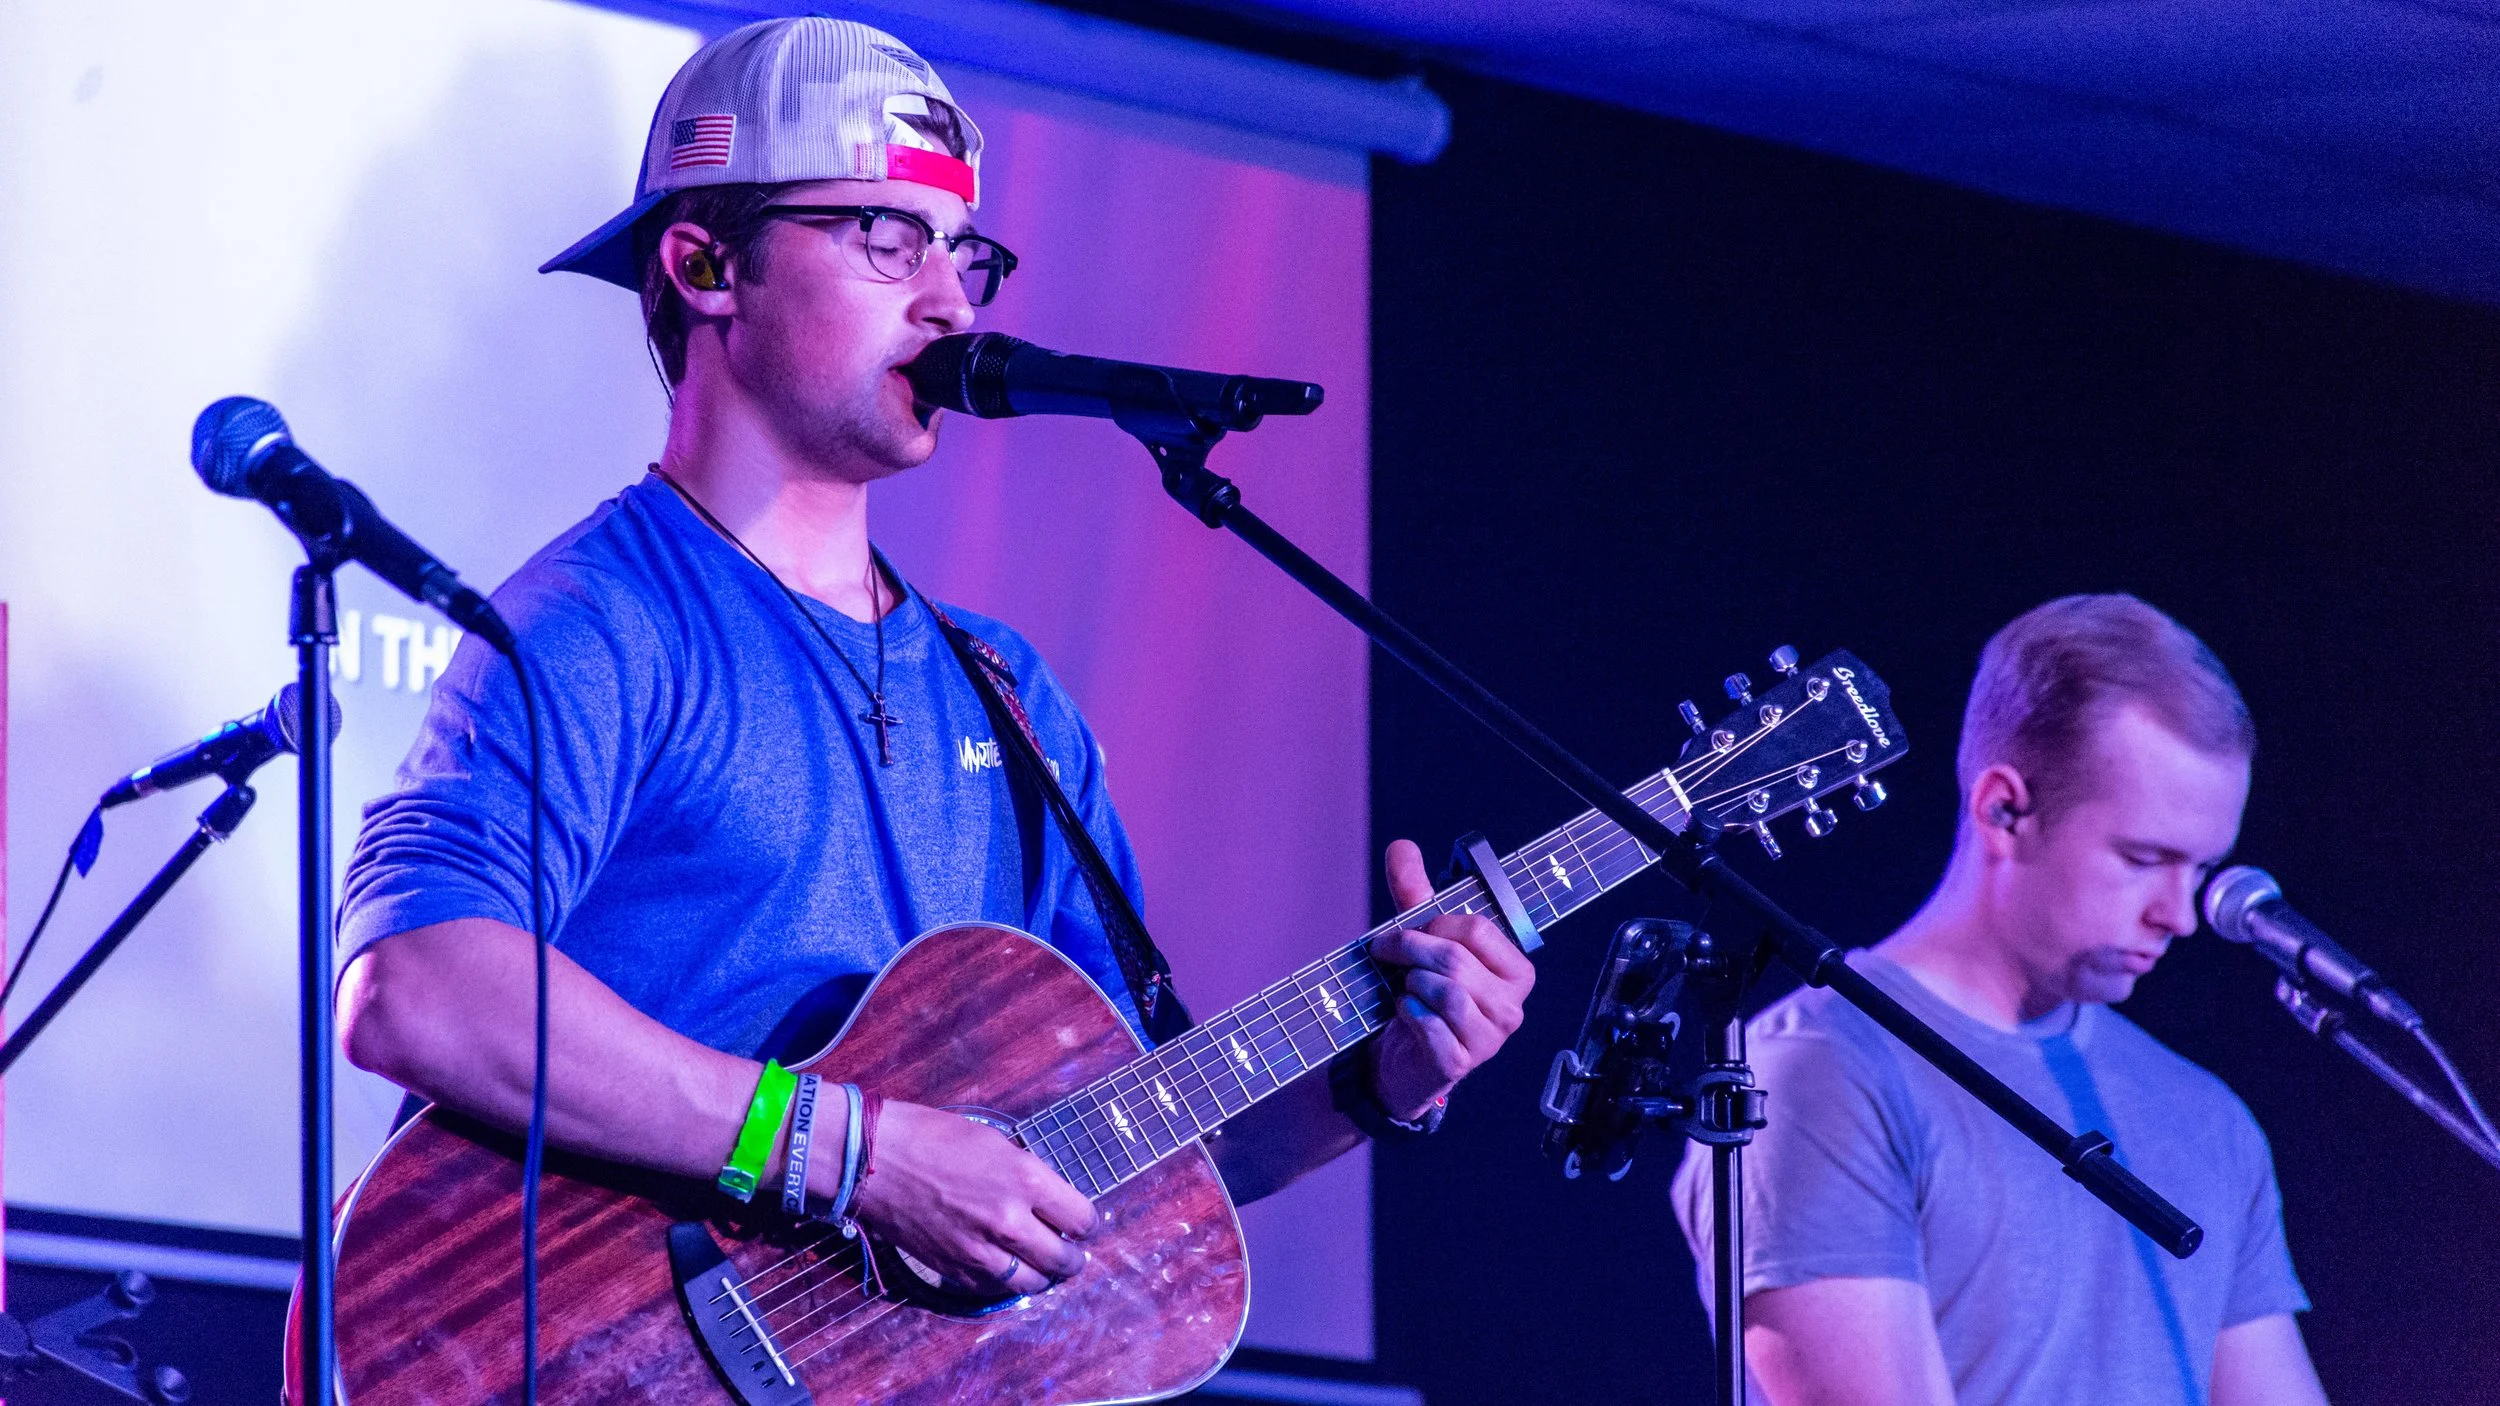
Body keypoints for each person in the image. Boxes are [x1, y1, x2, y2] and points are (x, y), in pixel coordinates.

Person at [337, 15, 1532, 1309]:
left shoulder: (1008, 693)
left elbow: (1129, 1149)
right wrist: (856, 1155)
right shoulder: (601, 621)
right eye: (884, 239)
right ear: (701, 263)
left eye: (964, 253)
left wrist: (1375, 1078)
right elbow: (416, 984)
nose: (949, 302)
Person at [1671, 594, 2328, 1406]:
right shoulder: (1814, 1078)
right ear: (2004, 811)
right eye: (2143, 857)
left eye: (2198, 868)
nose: (2181, 913)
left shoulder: (2208, 1119)